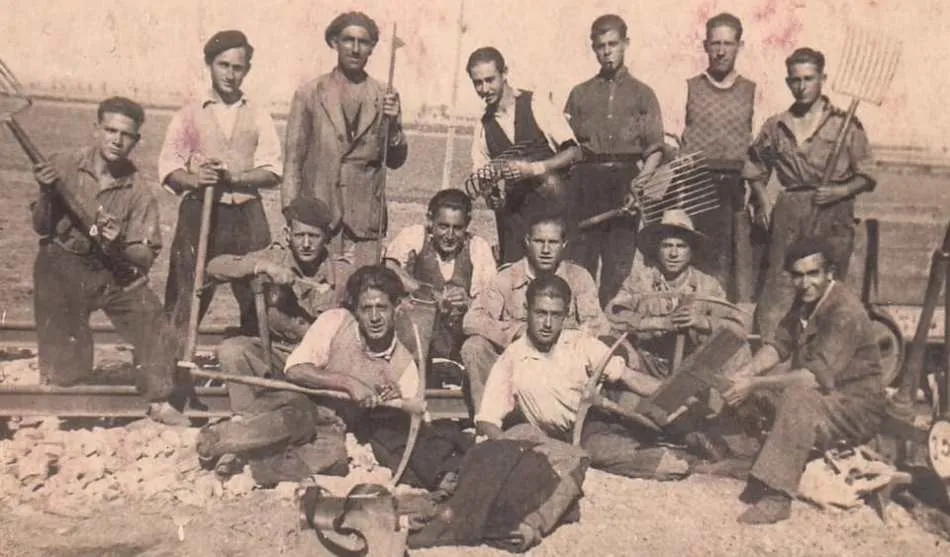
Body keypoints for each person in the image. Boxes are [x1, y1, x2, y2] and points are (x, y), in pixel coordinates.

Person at [31, 96, 187, 425]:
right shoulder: (63, 165)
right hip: (62, 264)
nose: (117, 140)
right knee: (65, 356)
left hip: (111, 270)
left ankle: (158, 399)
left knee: (154, 321)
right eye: (110, 130)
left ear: (136, 140)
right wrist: (46, 192)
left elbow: (144, 256)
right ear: (96, 130)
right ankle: (67, 392)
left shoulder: (139, 191)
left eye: (126, 134)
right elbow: (42, 227)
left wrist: (118, 245)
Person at [722, 238, 885, 524]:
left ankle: (777, 496)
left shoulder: (844, 311)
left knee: (796, 399)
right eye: (798, 275)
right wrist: (747, 373)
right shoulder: (807, 301)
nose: (805, 283)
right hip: (827, 398)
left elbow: (812, 378)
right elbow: (779, 345)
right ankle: (749, 458)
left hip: (856, 407)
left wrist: (755, 383)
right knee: (753, 389)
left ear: (830, 273)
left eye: (813, 274)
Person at [476, 274, 689, 480]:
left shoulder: (579, 343)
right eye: (540, 313)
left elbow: (630, 377)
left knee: (652, 409)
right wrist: (509, 448)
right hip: (570, 437)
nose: (547, 323)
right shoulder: (511, 359)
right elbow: (487, 419)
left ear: (566, 314)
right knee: (655, 462)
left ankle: (688, 440)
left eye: (555, 315)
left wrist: (679, 394)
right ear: (526, 310)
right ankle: (667, 457)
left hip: (601, 415)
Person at [283, 265, 468, 491]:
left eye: (382, 308)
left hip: (342, 431)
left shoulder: (404, 365)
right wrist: (349, 384)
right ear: (355, 310)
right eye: (366, 309)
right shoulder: (335, 322)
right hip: (308, 411)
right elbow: (294, 370)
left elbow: (412, 423)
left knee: (335, 456)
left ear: (396, 308)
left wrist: (395, 401)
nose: (374, 318)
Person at [743, 47, 876, 338]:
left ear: (822, 79)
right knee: (781, 283)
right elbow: (754, 168)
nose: (802, 86)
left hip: (833, 213)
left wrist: (840, 190)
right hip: (790, 211)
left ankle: (826, 353)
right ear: (788, 82)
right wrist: (763, 200)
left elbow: (867, 175)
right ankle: (773, 352)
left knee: (828, 285)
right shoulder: (777, 125)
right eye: (795, 80)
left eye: (809, 78)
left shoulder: (845, 124)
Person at [159, 29, 282, 340]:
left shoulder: (258, 115)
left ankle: (255, 357)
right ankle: (171, 362)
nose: (230, 74)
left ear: (247, 70)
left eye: (237, 67)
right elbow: (169, 167)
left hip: (247, 215)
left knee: (257, 290)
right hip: (200, 212)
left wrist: (236, 177)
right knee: (186, 291)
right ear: (209, 65)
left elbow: (273, 170)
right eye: (223, 65)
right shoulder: (189, 114)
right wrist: (195, 180)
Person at [206, 196, 355, 413]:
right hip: (275, 355)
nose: (306, 244)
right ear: (287, 234)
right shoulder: (274, 259)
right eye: (299, 235)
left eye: (313, 236)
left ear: (326, 238)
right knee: (232, 350)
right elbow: (215, 266)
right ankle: (248, 417)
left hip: (318, 364)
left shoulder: (343, 274)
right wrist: (263, 267)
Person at [283, 11, 408, 268]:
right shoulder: (309, 94)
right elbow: (293, 161)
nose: (355, 48)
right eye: (348, 40)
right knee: (319, 287)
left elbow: (395, 160)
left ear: (372, 48)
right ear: (334, 43)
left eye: (363, 42)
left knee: (364, 286)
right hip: (319, 219)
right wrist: (292, 214)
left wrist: (393, 123)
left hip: (365, 222)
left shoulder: (385, 94)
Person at [564, 14, 666, 306]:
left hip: (625, 183)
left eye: (613, 44)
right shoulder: (579, 94)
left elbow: (655, 149)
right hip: (586, 183)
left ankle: (611, 324)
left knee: (618, 265)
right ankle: (578, 323)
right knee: (579, 262)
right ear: (593, 48)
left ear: (625, 44)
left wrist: (639, 184)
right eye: (601, 46)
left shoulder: (643, 94)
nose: (607, 52)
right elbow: (566, 146)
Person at [461, 214, 609, 413]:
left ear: (564, 244)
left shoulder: (578, 278)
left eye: (553, 242)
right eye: (539, 241)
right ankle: (487, 418)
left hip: (563, 365)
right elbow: (473, 319)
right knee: (474, 346)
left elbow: (597, 327)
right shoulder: (507, 277)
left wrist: (564, 339)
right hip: (517, 364)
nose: (546, 250)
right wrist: (516, 331)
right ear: (527, 241)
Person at [467, 46, 581, 264]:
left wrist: (534, 169)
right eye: (478, 83)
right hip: (515, 218)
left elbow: (574, 152)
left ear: (504, 73)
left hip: (553, 210)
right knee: (514, 276)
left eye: (490, 80)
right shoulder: (482, 126)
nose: (485, 89)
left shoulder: (536, 104)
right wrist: (490, 192)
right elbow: (481, 174)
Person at [605, 209, 749, 381]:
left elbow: (738, 327)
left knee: (737, 352)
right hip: (646, 365)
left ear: (691, 251)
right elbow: (614, 316)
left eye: (681, 246)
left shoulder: (707, 285)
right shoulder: (641, 280)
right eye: (667, 246)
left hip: (693, 366)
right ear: (657, 249)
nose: (673, 254)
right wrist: (659, 323)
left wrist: (702, 321)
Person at [679, 12, 760, 302]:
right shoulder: (689, 87)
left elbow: (758, 150)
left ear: (740, 46)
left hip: (735, 193)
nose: (721, 51)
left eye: (728, 43)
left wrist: (757, 192)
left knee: (731, 272)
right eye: (715, 44)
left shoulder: (752, 91)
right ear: (705, 46)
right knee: (696, 267)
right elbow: (674, 144)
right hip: (696, 190)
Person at [383, 189, 497, 369]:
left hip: (455, 333)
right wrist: (427, 293)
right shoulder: (415, 235)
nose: (450, 235)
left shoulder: (478, 247)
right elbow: (389, 268)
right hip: (416, 329)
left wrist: (467, 302)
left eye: (457, 228)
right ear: (430, 220)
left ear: (467, 224)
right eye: (443, 226)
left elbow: (489, 300)